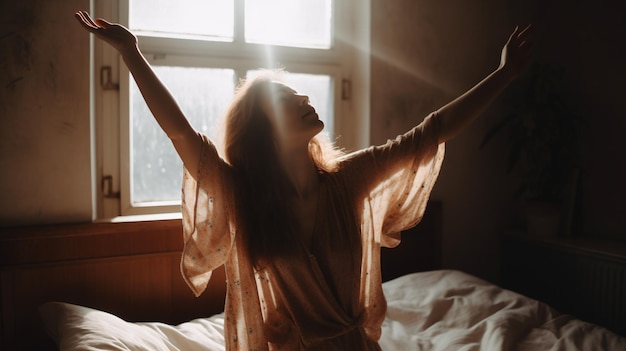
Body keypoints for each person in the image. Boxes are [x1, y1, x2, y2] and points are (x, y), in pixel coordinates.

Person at [75, 10, 533, 351]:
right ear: (263, 129)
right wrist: (131, 53)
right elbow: (180, 133)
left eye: (299, 92)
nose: (305, 98)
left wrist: (504, 75)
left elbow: (430, 131)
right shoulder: (243, 196)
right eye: (287, 99)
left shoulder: (348, 180)